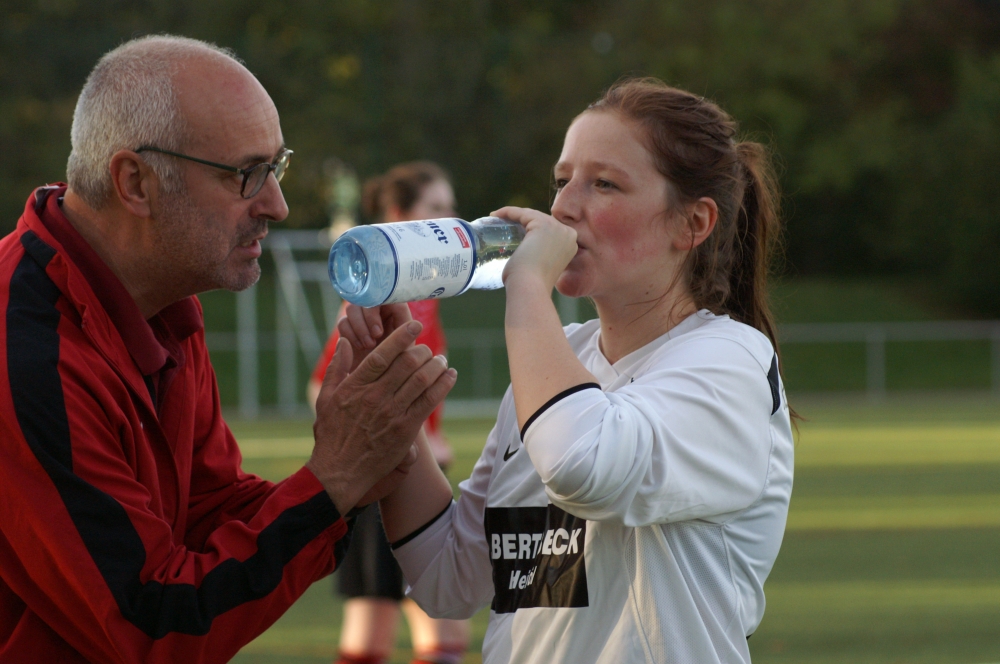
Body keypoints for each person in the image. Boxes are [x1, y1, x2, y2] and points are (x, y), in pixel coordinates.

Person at [0, 35, 456, 663]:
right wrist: (337, 477)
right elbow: (154, 624)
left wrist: (356, 463)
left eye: (277, 167)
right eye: (247, 174)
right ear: (135, 182)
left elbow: (210, 516)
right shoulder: (27, 350)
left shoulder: (160, 306)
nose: (276, 204)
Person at [339, 77, 795, 663]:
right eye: (561, 182)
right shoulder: (560, 363)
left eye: (603, 184)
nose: (562, 209)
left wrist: (526, 286)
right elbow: (448, 580)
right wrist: (394, 414)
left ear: (692, 224)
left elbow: (582, 466)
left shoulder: (730, 360)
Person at [308, 162, 470, 664]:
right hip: (391, 476)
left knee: (400, 627)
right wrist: (409, 436)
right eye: (437, 210)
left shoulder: (423, 290)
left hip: (403, 470)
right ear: (403, 217)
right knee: (410, 627)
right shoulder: (389, 291)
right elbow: (323, 385)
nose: (452, 219)